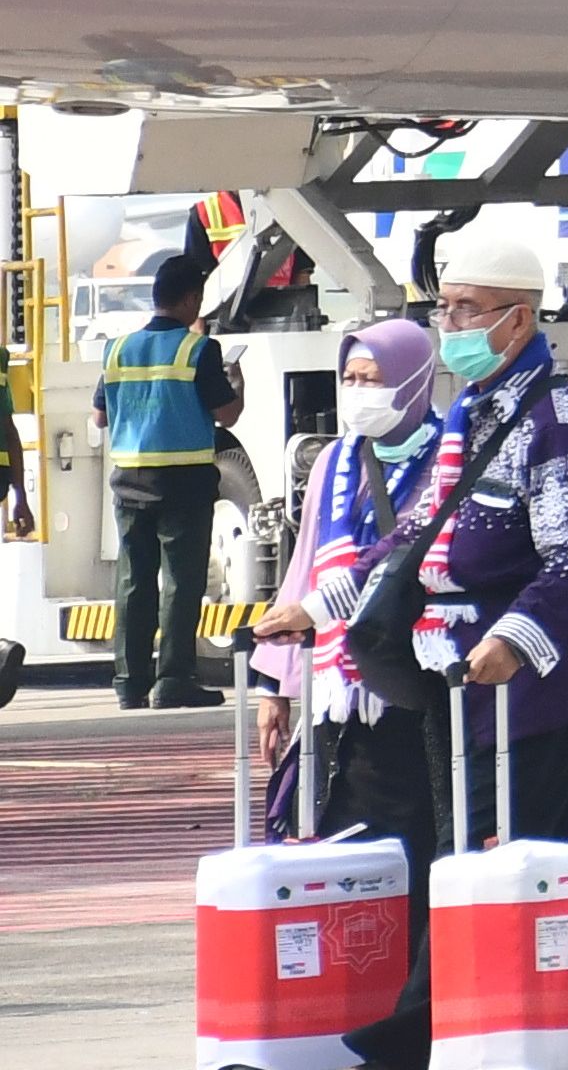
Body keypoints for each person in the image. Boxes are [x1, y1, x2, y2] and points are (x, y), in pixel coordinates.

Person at [356, 213, 568, 1068]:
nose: (452, 327)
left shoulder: (558, 415)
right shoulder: (474, 406)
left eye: (470, 310)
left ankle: (404, 1046)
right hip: (463, 679)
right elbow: (421, 535)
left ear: (520, 318)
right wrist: (327, 605)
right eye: (446, 308)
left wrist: (513, 636)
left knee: (471, 858)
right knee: (566, 857)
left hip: (533, 682)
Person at [242, 320, 450, 991]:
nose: (358, 394)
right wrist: (276, 682)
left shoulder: (451, 452)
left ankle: (412, 995)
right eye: (351, 379)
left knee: (417, 840)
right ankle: (365, 992)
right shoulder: (336, 461)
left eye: (374, 379)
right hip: (340, 691)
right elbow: (306, 567)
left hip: (417, 684)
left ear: (415, 381)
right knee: (349, 839)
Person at [103, 248, 241, 708]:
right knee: (181, 583)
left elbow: (100, 416)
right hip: (182, 483)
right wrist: (235, 384)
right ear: (191, 299)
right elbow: (227, 413)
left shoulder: (117, 349)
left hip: (128, 481)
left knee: (134, 581)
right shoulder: (199, 348)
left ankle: (129, 682)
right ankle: (173, 680)